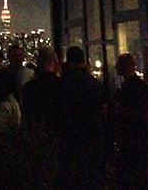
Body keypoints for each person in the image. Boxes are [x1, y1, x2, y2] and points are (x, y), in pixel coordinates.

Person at [59, 46, 106, 189]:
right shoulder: (95, 84)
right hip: (94, 136)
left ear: (69, 62)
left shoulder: (66, 84)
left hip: (74, 139)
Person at [113, 53, 148, 189]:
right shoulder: (140, 85)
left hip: (132, 136)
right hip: (140, 135)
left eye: (118, 64)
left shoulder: (127, 88)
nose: (116, 67)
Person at [22, 46, 62, 135]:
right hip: (58, 131)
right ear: (55, 62)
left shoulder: (29, 87)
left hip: (37, 133)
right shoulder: (62, 85)